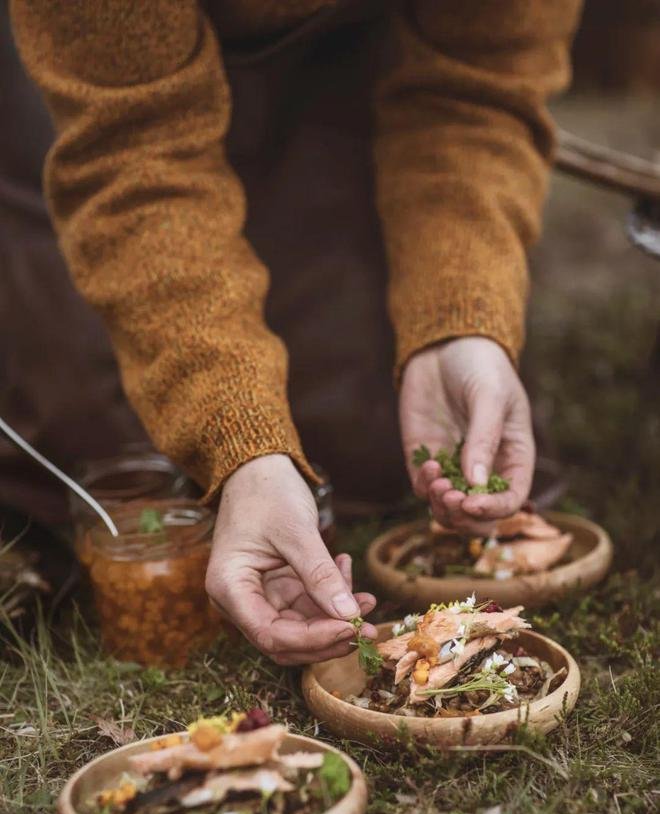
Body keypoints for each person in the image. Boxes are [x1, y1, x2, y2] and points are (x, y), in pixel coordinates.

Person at [9, 0, 581, 664]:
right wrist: (241, 445)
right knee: (89, 416)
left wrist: (458, 322)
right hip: (105, 84)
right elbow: (137, 155)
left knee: (364, 443)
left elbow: (475, 91)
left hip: (351, 52)